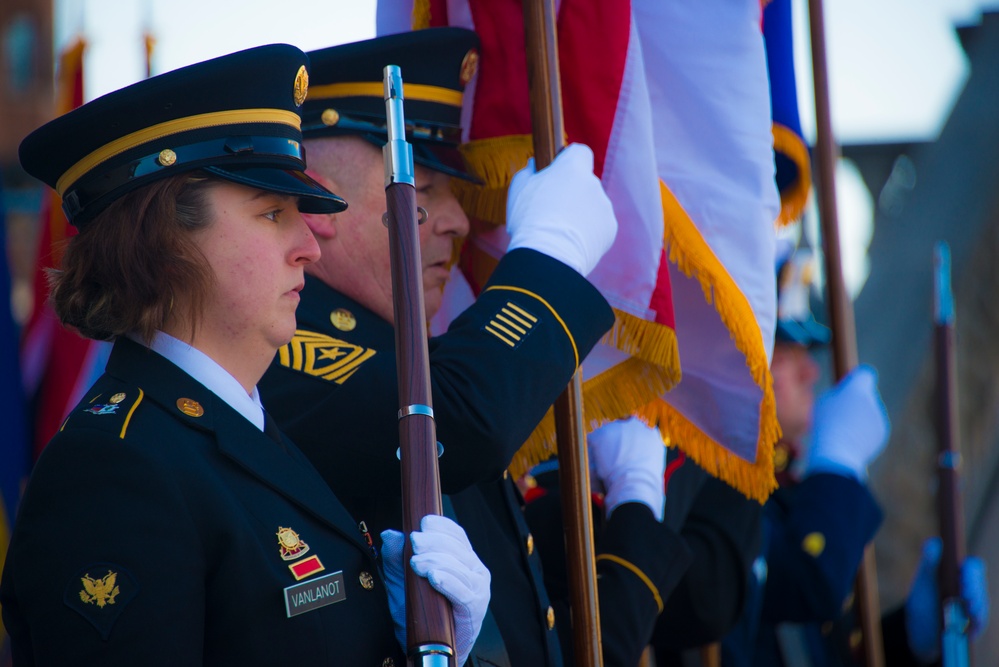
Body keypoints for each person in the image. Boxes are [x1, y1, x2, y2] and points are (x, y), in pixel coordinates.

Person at [0, 44, 490, 667]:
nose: (309, 246)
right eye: (272, 213)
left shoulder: (242, 431)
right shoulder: (114, 471)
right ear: (167, 242)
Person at [258, 28, 689, 666]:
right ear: (319, 201)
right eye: (422, 190)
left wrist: (635, 506)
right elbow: (458, 419)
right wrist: (549, 254)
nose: (460, 222)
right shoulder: (281, 345)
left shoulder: (407, 356)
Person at [719, 249, 989, 666]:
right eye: (787, 355)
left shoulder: (777, 493)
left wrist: (912, 639)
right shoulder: (715, 484)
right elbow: (804, 585)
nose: (811, 373)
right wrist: (837, 466)